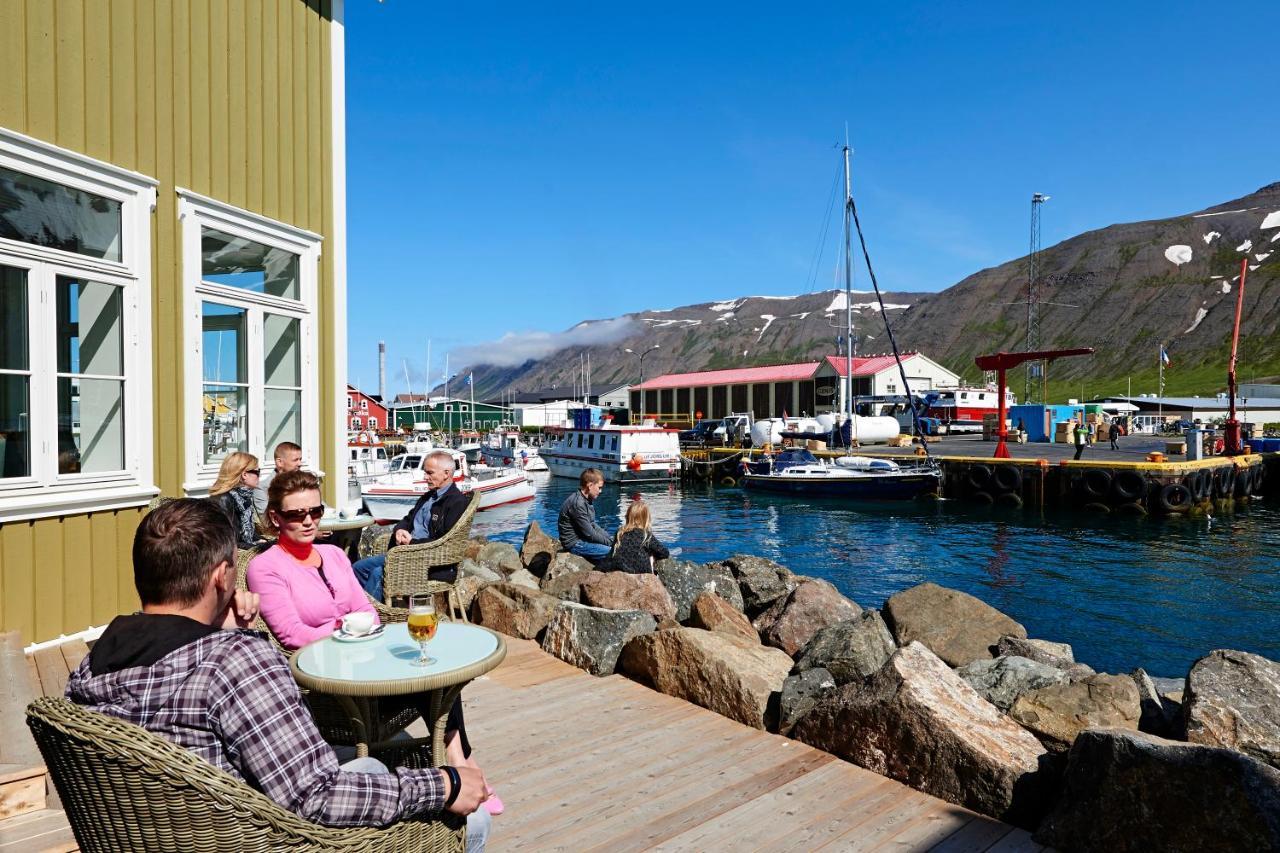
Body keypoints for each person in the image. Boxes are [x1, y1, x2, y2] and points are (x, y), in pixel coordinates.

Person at [64, 499, 490, 850]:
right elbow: (317, 797)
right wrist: (444, 784)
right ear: (220, 577)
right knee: (475, 819)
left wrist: (220, 629)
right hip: (267, 836)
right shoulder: (236, 664)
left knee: (370, 766)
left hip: (173, 830)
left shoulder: (90, 668)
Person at [248, 469, 502, 817]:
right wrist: (347, 631)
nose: (308, 521)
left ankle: (460, 761)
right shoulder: (266, 568)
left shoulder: (335, 555)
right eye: (296, 515)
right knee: (427, 681)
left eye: (316, 512)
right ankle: (464, 771)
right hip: (327, 678)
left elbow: (366, 607)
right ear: (276, 518)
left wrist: (357, 627)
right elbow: (291, 634)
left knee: (436, 672)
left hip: (366, 656)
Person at [351, 450, 469, 602]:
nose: (425, 477)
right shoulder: (428, 496)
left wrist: (411, 543)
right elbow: (408, 519)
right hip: (406, 553)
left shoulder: (456, 502)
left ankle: (370, 617)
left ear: (446, 473)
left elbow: (447, 541)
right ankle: (362, 606)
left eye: (429, 473)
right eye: (425, 472)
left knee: (377, 573)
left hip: (429, 562)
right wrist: (400, 529)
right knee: (358, 568)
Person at [598, 499, 669, 573]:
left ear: (628, 516)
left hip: (617, 568)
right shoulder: (646, 535)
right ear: (646, 519)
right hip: (638, 573)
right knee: (651, 554)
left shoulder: (620, 532)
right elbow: (664, 553)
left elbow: (612, 553)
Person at [209, 451, 262, 550]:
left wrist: (261, 541)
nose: (260, 476)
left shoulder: (244, 496)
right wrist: (259, 547)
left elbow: (248, 532)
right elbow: (230, 541)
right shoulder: (224, 500)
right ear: (245, 475)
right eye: (257, 472)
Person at [558, 468, 612, 563]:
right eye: (599, 488)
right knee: (613, 552)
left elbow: (593, 524)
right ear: (590, 485)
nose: (600, 491)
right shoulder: (578, 504)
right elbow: (589, 533)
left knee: (613, 547)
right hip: (575, 544)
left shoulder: (586, 500)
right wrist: (610, 543)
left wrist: (610, 538)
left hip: (583, 539)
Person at [254, 440, 303, 514]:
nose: (300, 463)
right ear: (279, 462)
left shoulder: (305, 483)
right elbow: (266, 519)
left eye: (300, 459)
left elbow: (322, 509)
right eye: (295, 460)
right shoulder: (262, 488)